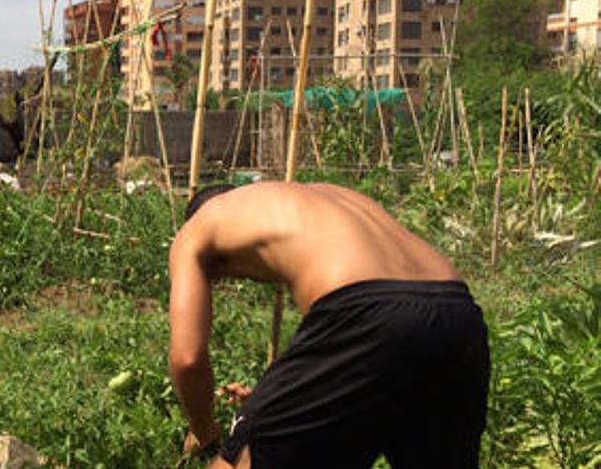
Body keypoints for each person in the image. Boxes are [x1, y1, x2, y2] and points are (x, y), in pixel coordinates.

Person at [167, 182, 489, 468]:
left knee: (243, 457)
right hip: (458, 315)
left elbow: (188, 358)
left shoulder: (200, 225)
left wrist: (203, 430)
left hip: (365, 312)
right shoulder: (324, 199)